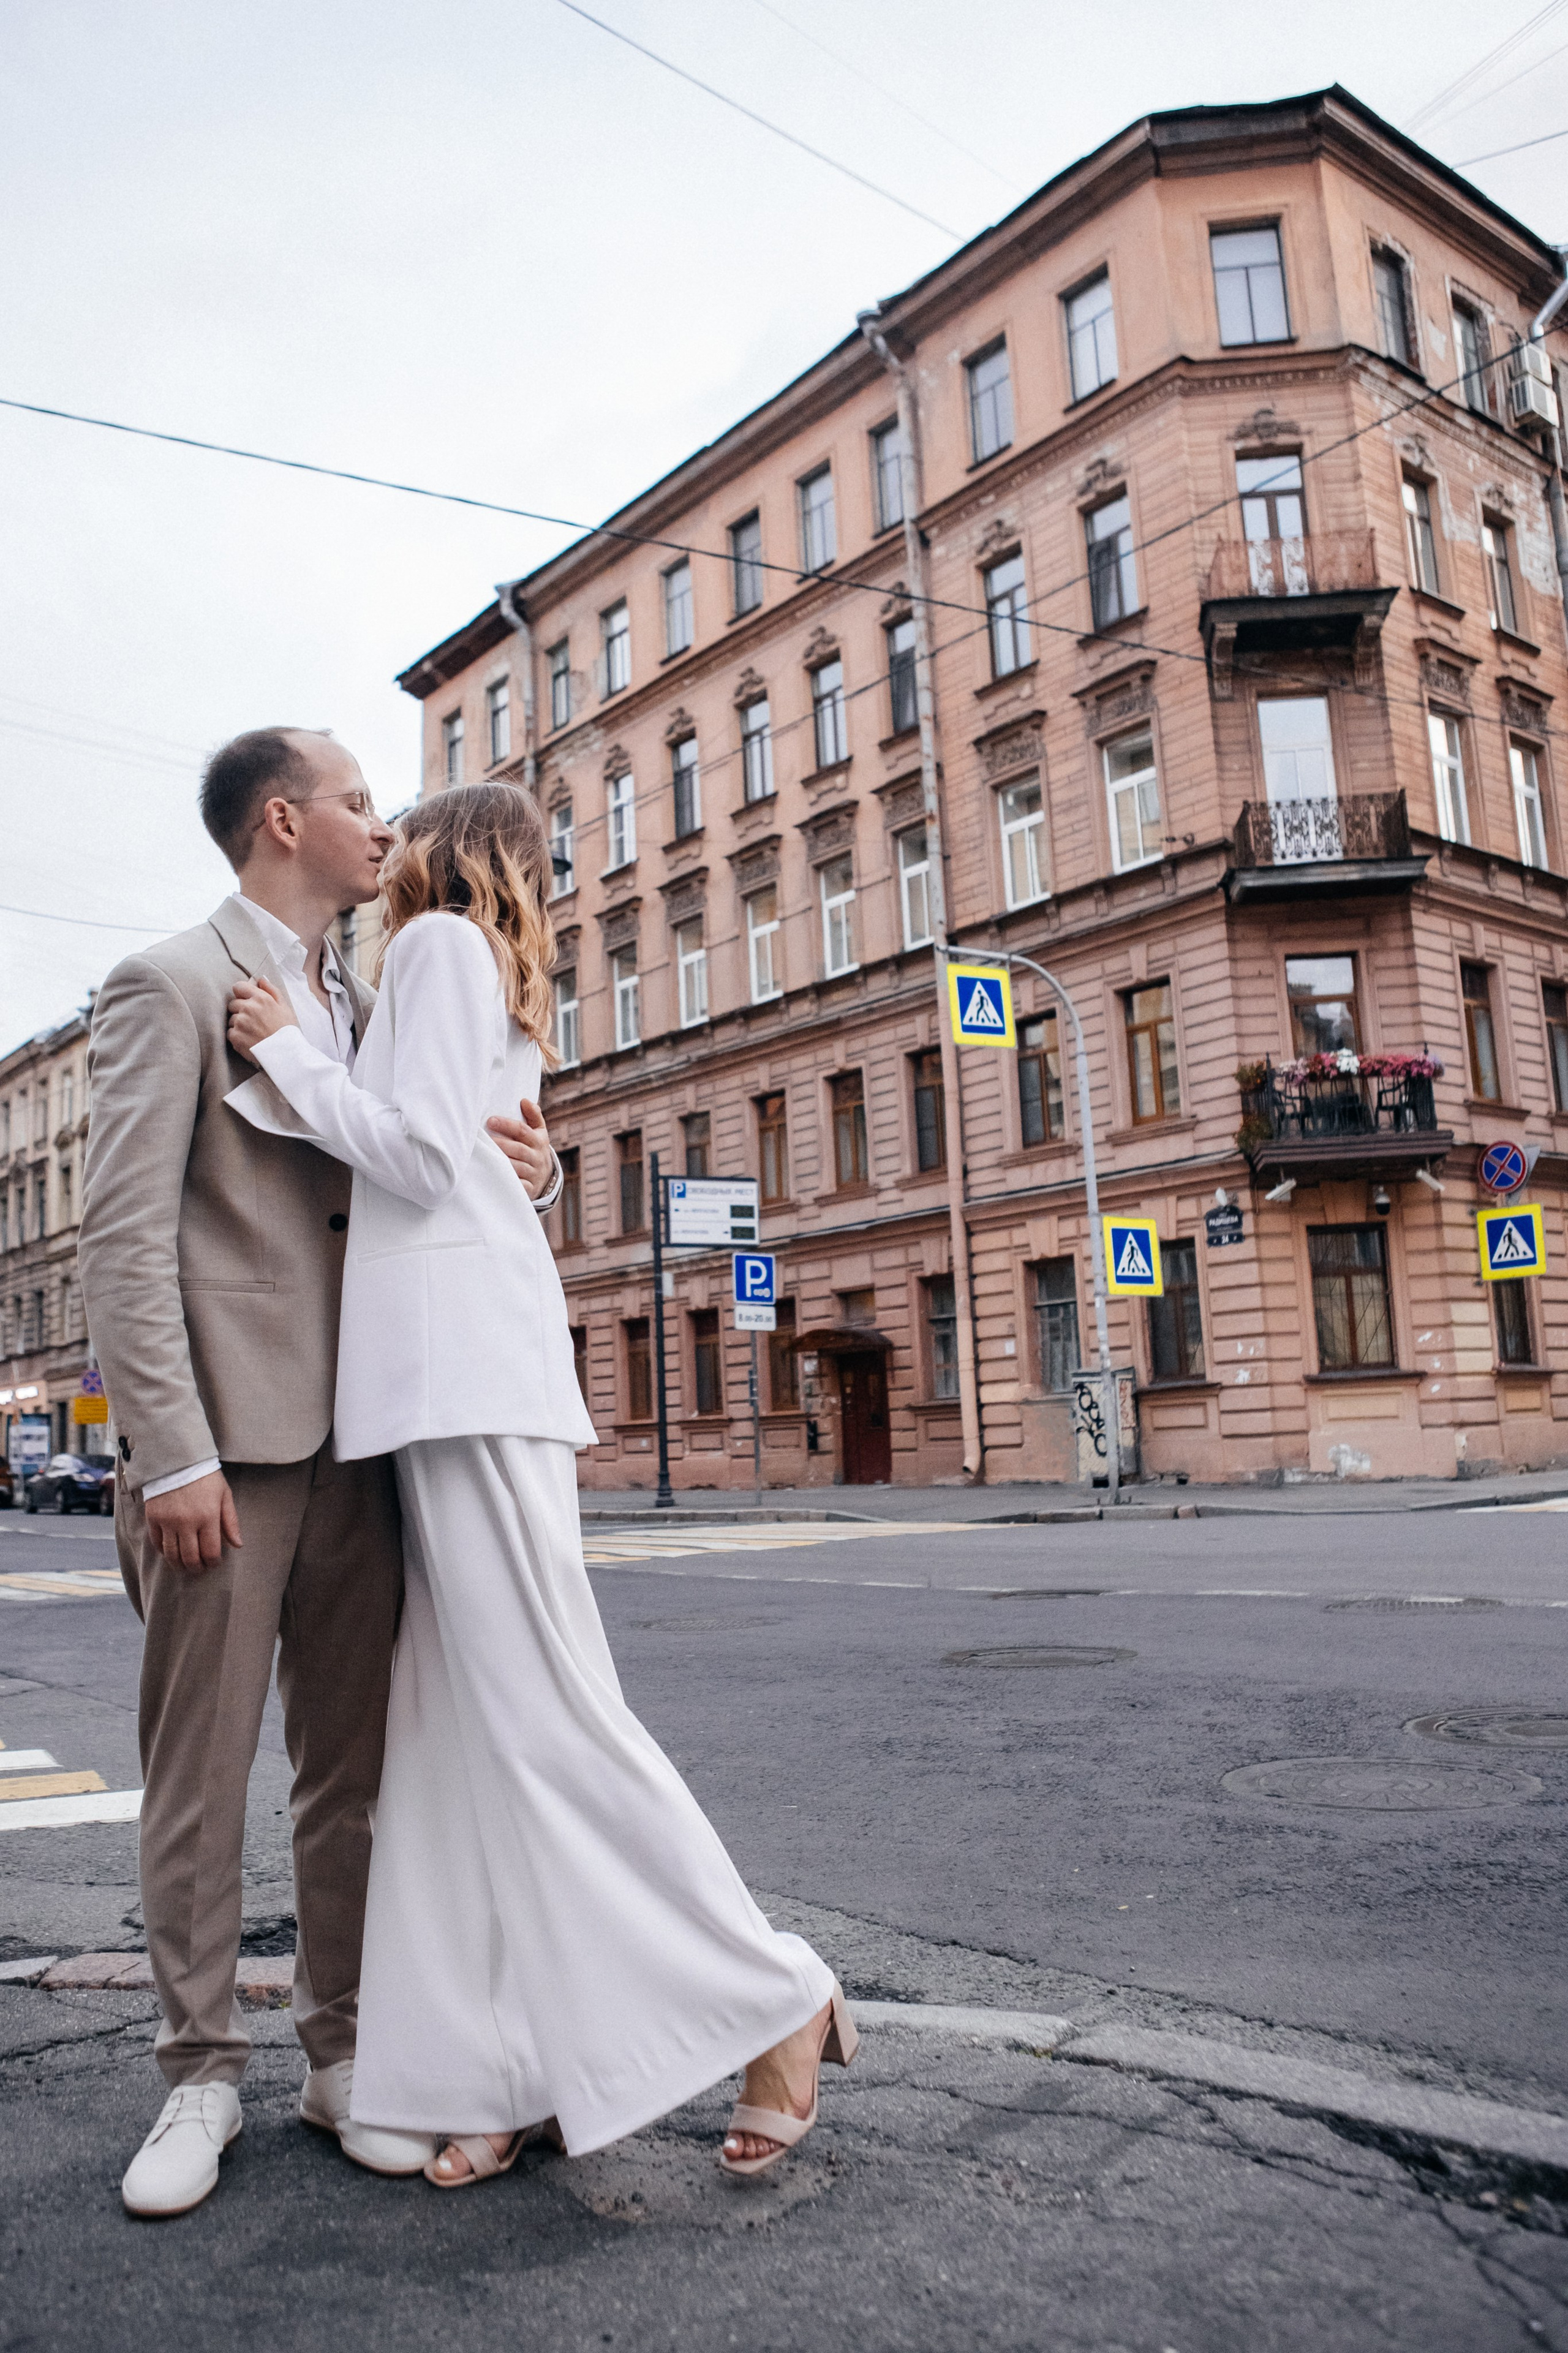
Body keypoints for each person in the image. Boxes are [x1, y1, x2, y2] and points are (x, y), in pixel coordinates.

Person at [224, 780, 856, 2188]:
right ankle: (496, 2064)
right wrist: (543, 1172)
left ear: (446, 851)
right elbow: (477, 1157)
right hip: (449, 1382)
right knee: (452, 1739)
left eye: (401, 821)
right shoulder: (472, 967)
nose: (381, 838)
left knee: (544, 1717)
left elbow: (416, 1154)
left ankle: (775, 1995)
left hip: (466, 1381)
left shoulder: (438, 947)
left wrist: (289, 1056)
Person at [78, 729, 556, 2220]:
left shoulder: (367, 989)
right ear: (283, 820)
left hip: (371, 1441)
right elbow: (120, 1240)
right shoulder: (169, 982)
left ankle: (341, 2050)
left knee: (350, 1773)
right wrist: (169, 1449)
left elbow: (425, 1156)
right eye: (356, 800)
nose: (382, 822)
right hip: (226, 1450)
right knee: (203, 1772)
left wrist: (532, 1164)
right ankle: (199, 2072)